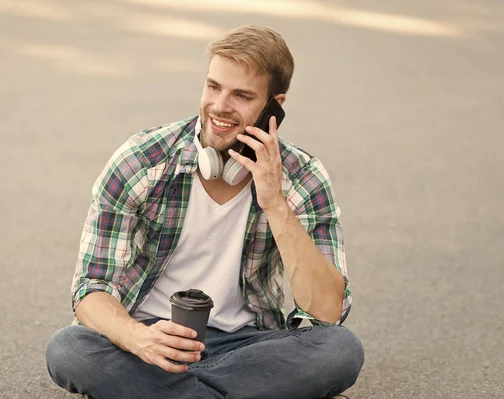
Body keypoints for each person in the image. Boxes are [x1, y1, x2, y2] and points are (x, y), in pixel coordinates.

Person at [46, 25, 364, 399]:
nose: (220, 107)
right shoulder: (141, 160)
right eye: (214, 87)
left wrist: (275, 203)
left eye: (241, 96)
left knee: (341, 350)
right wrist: (140, 338)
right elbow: (91, 289)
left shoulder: (303, 177)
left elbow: (326, 308)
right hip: (147, 338)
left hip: (246, 346)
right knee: (69, 349)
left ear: (274, 107)